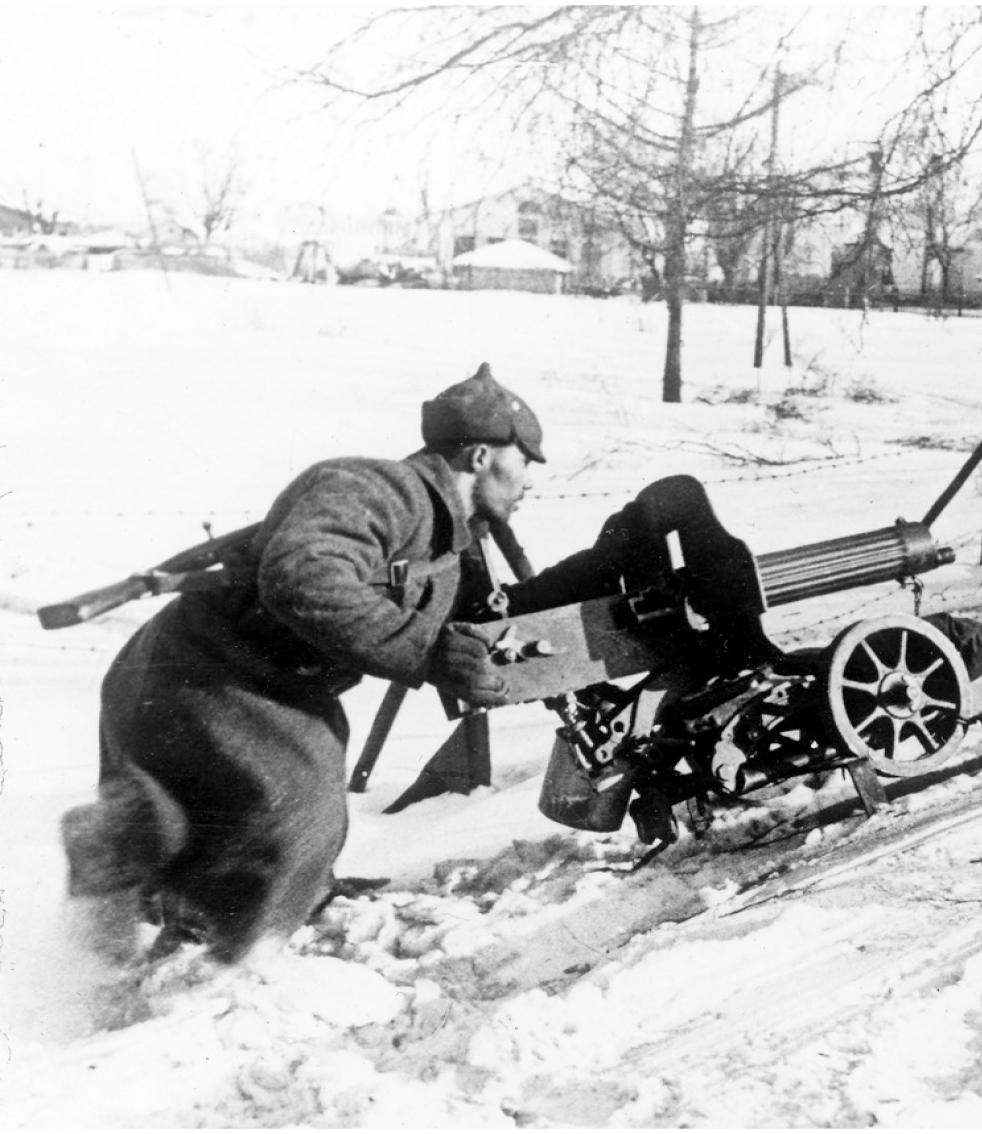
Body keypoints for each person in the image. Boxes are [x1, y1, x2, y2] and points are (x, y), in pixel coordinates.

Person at [60, 363, 603, 965]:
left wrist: (603, 566)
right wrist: (423, 651)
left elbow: (485, 617)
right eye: (524, 461)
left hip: (251, 680)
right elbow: (302, 574)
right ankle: (203, 971)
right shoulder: (378, 489)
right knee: (288, 814)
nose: (530, 480)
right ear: (480, 457)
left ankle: (138, 949)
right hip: (203, 669)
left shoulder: (451, 534)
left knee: (196, 822)